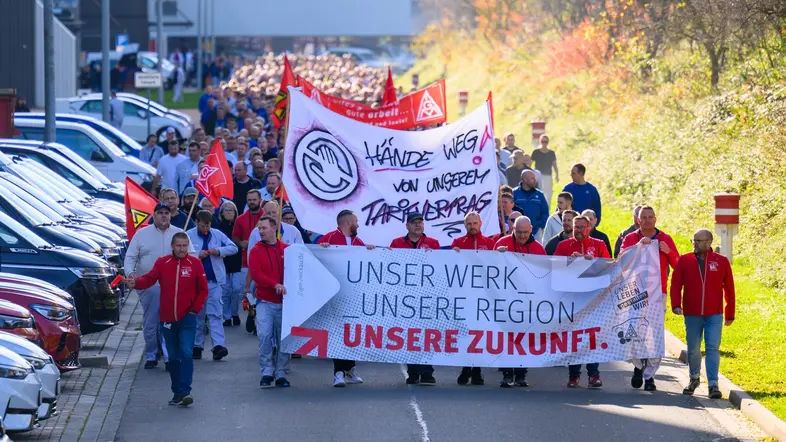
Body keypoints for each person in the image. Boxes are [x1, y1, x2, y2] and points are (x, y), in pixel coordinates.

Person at [127, 232, 207, 407]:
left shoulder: (195, 264)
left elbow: (203, 290)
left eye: (185, 246)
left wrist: (195, 309)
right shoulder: (163, 263)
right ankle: (177, 392)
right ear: (172, 246)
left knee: (186, 353)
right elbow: (149, 279)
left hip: (188, 318)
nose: (181, 249)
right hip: (167, 318)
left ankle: (186, 391)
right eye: (178, 246)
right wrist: (136, 282)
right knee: (172, 357)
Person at [124, 203, 194, 370]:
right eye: (160, 213)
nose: (164, 216)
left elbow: (191, 256)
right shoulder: (142, 234)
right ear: (154, 215)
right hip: (149, 285)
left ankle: (169, 356)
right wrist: (130, 273)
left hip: (174, 286)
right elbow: (130, 257)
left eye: (166, 213)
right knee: (151, 321)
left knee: (168, 321)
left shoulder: (179, 233)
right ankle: (151, 353)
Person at [671, 229, 735, 399]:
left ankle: (713, 384)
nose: (695, 244)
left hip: (714, 313)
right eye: (694, 241)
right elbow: (676, 284)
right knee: (693, 348)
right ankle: (694, 378)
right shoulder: (685, 260)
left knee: (712, 347)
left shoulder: (721, 261)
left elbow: (729, 287)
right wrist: (676, 304)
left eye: (699, 241)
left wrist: (730, 312)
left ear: (709, 242)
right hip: (692, 313)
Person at [621, 206, 679, 391]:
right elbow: (622, 259)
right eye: (643, 217)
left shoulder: (665, 238)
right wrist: (637, 247)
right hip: (637, 292)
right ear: (638, 220)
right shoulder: (631, 238)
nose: (647, 220)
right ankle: (638, 366)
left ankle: (650, 376)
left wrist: (668, 251)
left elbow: (678, 265)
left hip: (657, 293)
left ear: (655, 218)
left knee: (655, 335)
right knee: (637, 331)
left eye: (650, 217)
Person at [317, 209, 375, 387]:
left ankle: (350, 369)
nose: (358, 224)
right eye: (356, 221)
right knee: (337, 333)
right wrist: (322, 249)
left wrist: (371, 252)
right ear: (348, 222)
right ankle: (338, 372)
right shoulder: (328, 238)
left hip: (354, 295)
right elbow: (313, 257)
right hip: (334, 294)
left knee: (353, 332)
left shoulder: (359, 242)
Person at [554, 215, 610, 388]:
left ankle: (594, 374)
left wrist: (590, 262)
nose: (578, 230)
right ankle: (573, 375)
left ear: (589, 228)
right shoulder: (563, 246)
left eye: (582, 227)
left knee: (592, 337)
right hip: (572, 300)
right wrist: (570, 262)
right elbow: (554, 268)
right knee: (573, 338)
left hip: (593, 300)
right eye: (576, 227)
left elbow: (608, 265)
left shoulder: (599, 244)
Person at [389, 212, 440, 385]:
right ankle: (413, 371)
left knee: (427, 334)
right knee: (411, 335)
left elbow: (441, 266)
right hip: (406, 296)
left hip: (426, 295)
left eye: (420, 222)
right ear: (407, 226)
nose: (418, 225)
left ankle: (427, 371)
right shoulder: (396, 243)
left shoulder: (433, 243)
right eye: (414, 222)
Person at [494, 216, 544, 387]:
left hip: (528, 302)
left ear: (531, 229)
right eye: (519, 232)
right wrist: (496, 256)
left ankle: (521, 373)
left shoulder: (538, 248)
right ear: (513, 229)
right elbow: (490, 269)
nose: (522, 236)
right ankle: (507, 373)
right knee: (507, 337)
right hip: (506, 300)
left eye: (525, 232)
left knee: (524, 337)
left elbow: (543, 275)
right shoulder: (502, 243)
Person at [451, 212, 495, 386]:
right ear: (465, 225)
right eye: (469, 224)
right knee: (466, 333)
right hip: (464, 295)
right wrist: (452, 254)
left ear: (481, 223)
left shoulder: (490, 243)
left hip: (484, 296)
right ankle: (466, 367)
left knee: (480, 333)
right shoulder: (458, 243)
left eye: (475, 223)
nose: (472, 226)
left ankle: (475, 370)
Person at [186, 211, 238, 361]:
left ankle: (218, 346)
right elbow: (181, 253)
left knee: (215, 313)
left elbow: (233, 247)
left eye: (208, 225)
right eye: (203, 225)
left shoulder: (217, 234)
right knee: (198, 315)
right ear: (197, 222)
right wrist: (197, 255)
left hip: (214, 281)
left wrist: (219, 251)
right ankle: (197, 345)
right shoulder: (189, 235)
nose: (206, 228)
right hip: (195, 283)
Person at [249, 216, 291, 388]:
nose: (261, 231)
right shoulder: (255, 251)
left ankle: (281, 372)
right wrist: (274, 284)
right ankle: (267, 371)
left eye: (264, 228)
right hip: (265, 301)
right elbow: (256, 274)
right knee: (265, 336)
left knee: (284, 339)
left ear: (274, 228)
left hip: (285, 302)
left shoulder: (287, 249)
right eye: (259, 228)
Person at [232, 189, 265, 310]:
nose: (252, 202)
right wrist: (240, 243)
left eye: (254, 200)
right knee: (248, 295)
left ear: (260, 200)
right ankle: (252, 315)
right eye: (249, 200)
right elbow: (235, 236)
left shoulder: (267, 219)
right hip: (246, 263)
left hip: (265, 263)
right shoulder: (240, 219)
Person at [217, 201, 243, 326]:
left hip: (238, 260)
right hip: (223, 261)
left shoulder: (238, 225)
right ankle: (226, 316)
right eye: (226, 210)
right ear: (221, 213)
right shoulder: (218, 226)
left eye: (231, 210)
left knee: (237, 289)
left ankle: (235, 313)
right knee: (225, 290)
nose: (229, 213)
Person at [513, 170, 549, 240]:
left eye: (534, 178)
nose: (535, 180)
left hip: (536, 232)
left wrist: (540, 224)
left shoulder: (539, 194)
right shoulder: (514, 193)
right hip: (519, 232)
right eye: (532, 178)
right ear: (525, 180)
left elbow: (545, 212)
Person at [531, 135, 558, 205]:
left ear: (548, 142)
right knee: (537, 191)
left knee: (548, 194)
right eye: (542, 141)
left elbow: (554, 165)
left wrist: (557, 175)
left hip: (548, 176)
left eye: (545, 142)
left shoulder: (551, 153)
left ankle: (546, 208)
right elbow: (530, 164)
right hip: (537, 175)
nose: (544, 143)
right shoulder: (536, 152)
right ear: (540, 142)